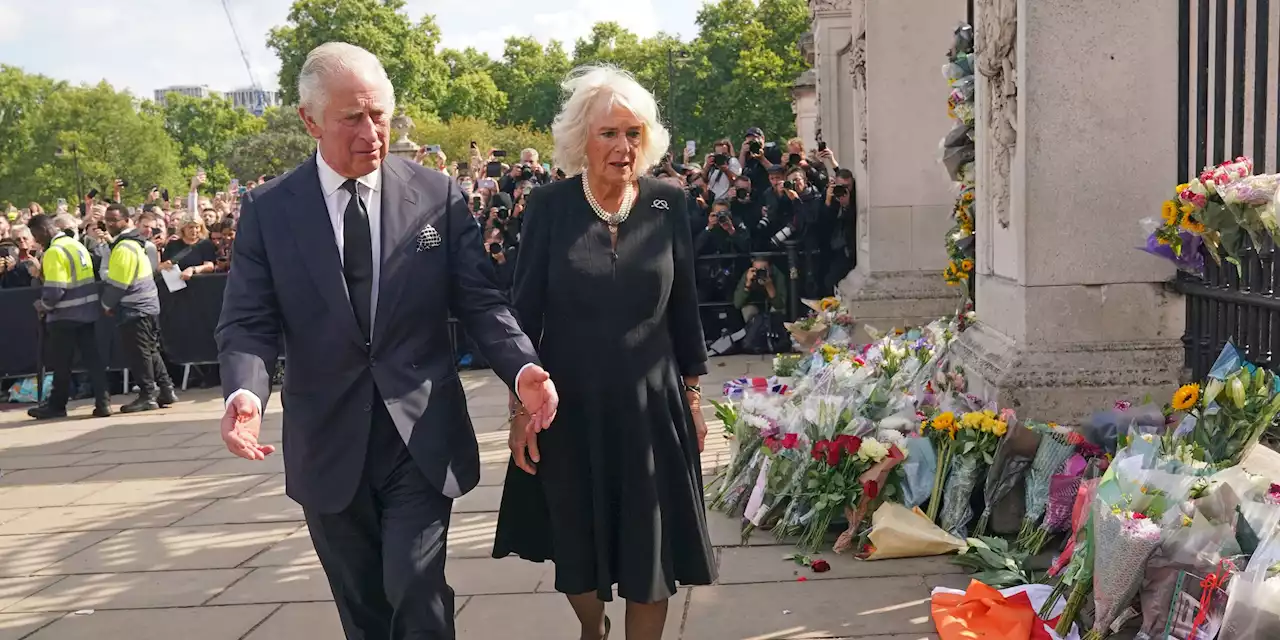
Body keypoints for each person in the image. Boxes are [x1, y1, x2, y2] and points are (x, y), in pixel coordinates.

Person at [213, 42, 558, 640]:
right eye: (353, 118)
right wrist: (245, 392)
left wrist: (522, 367)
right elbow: (247, 320)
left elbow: (479, 300)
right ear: (310, 119)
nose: (371, 132)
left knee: (415, 584)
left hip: (419, 435)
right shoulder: (270, 211)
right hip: (327, 440)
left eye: (380, 115)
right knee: (365, 605)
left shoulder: (435, 195)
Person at [493, 65, 715, 640]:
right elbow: (523, 312)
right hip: (569, 407)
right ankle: (593, 629)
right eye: (609, 134)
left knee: (653, 554)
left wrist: (693, 397)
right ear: (580, 141)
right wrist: (520, 408)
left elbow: (684, 307)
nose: (623, 148)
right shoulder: (548, 207)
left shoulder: (670, 205)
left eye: (633, 134)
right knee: (577, 546)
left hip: (652, 406)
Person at [26, 214, 112, 419]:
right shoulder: (76, 245)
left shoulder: (54, 252)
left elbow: (56, 288)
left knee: (62, 362)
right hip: (86, 311)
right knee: (93, 359)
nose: (36, 240)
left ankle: (57, 405)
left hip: (65, 314)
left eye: (35, 235)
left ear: (44, 230)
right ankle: (104, 401)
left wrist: (43, 305)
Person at [101, 203, 178, 413]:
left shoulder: (124, 247)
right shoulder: (135, 243)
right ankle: (166, 388)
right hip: (148, 305)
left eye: (114, 220)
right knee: (150, 350)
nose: (109, 224)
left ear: (126, 220)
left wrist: (106, 304)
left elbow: (118, 283)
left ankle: (147, 395)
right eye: (107, 220)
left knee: (140, 353)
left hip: (136, 307)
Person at [160, 214, 217, 280]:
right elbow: (161, 266)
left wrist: (192, 269)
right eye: (190, 227)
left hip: (199, 283)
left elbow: (209, 266)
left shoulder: (205, 244)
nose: (194, 230)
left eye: (197, 227)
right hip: (176, 284)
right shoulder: (172, 244)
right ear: (183, 228)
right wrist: (166, 265)